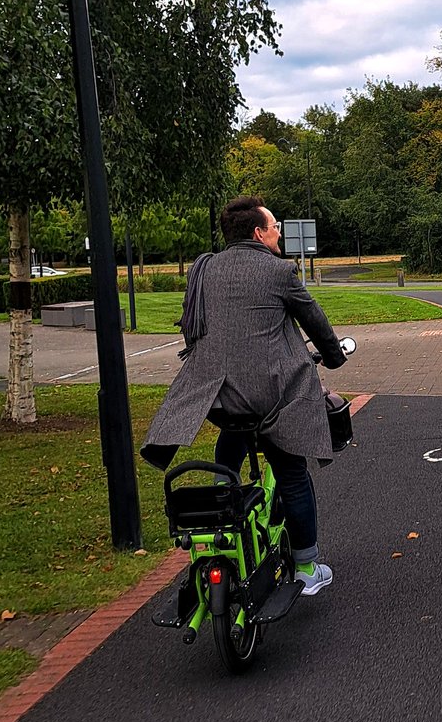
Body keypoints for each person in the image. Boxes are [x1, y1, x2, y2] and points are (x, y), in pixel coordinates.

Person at [141, 196, 347, 594]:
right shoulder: (279, 272)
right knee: (292, 474)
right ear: (258, 233)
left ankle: (226, 514)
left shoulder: (204, 269)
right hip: (271, 397)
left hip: (217, 398)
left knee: (229, 452)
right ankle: (307, 569)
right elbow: (315, 321)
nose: (279, 232)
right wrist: (334, 357)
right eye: (274, 227)